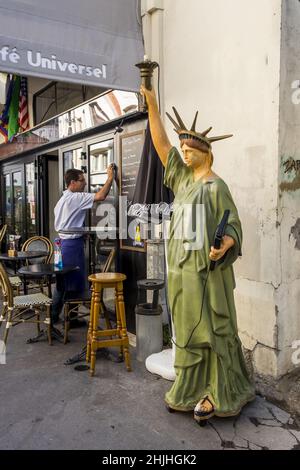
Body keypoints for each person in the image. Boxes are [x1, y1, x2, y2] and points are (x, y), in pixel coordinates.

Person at [141, 85, 255, 423]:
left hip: (206, 274)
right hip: (179, 271)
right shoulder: (183, 181)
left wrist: (225, 245)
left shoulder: (215, 186)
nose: (184, 154)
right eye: (183, 149)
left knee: (212, 330)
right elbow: (162, 147)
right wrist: (152, 107)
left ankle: (216, 392)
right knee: (188, 329)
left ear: (205, 152)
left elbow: (233, 224)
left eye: (190, 150)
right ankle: (191, 387)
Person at [51, 165, 114, 324]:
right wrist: (110, 178)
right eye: (82, 180)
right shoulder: (75, 198)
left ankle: (57, 317)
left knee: (63, 280)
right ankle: (63, 318)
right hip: (71, 245)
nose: (85, 183)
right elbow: (101, 196)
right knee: (71, 282)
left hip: (61, 243)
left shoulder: (62, 200)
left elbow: (67, 222)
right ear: (72, 183)